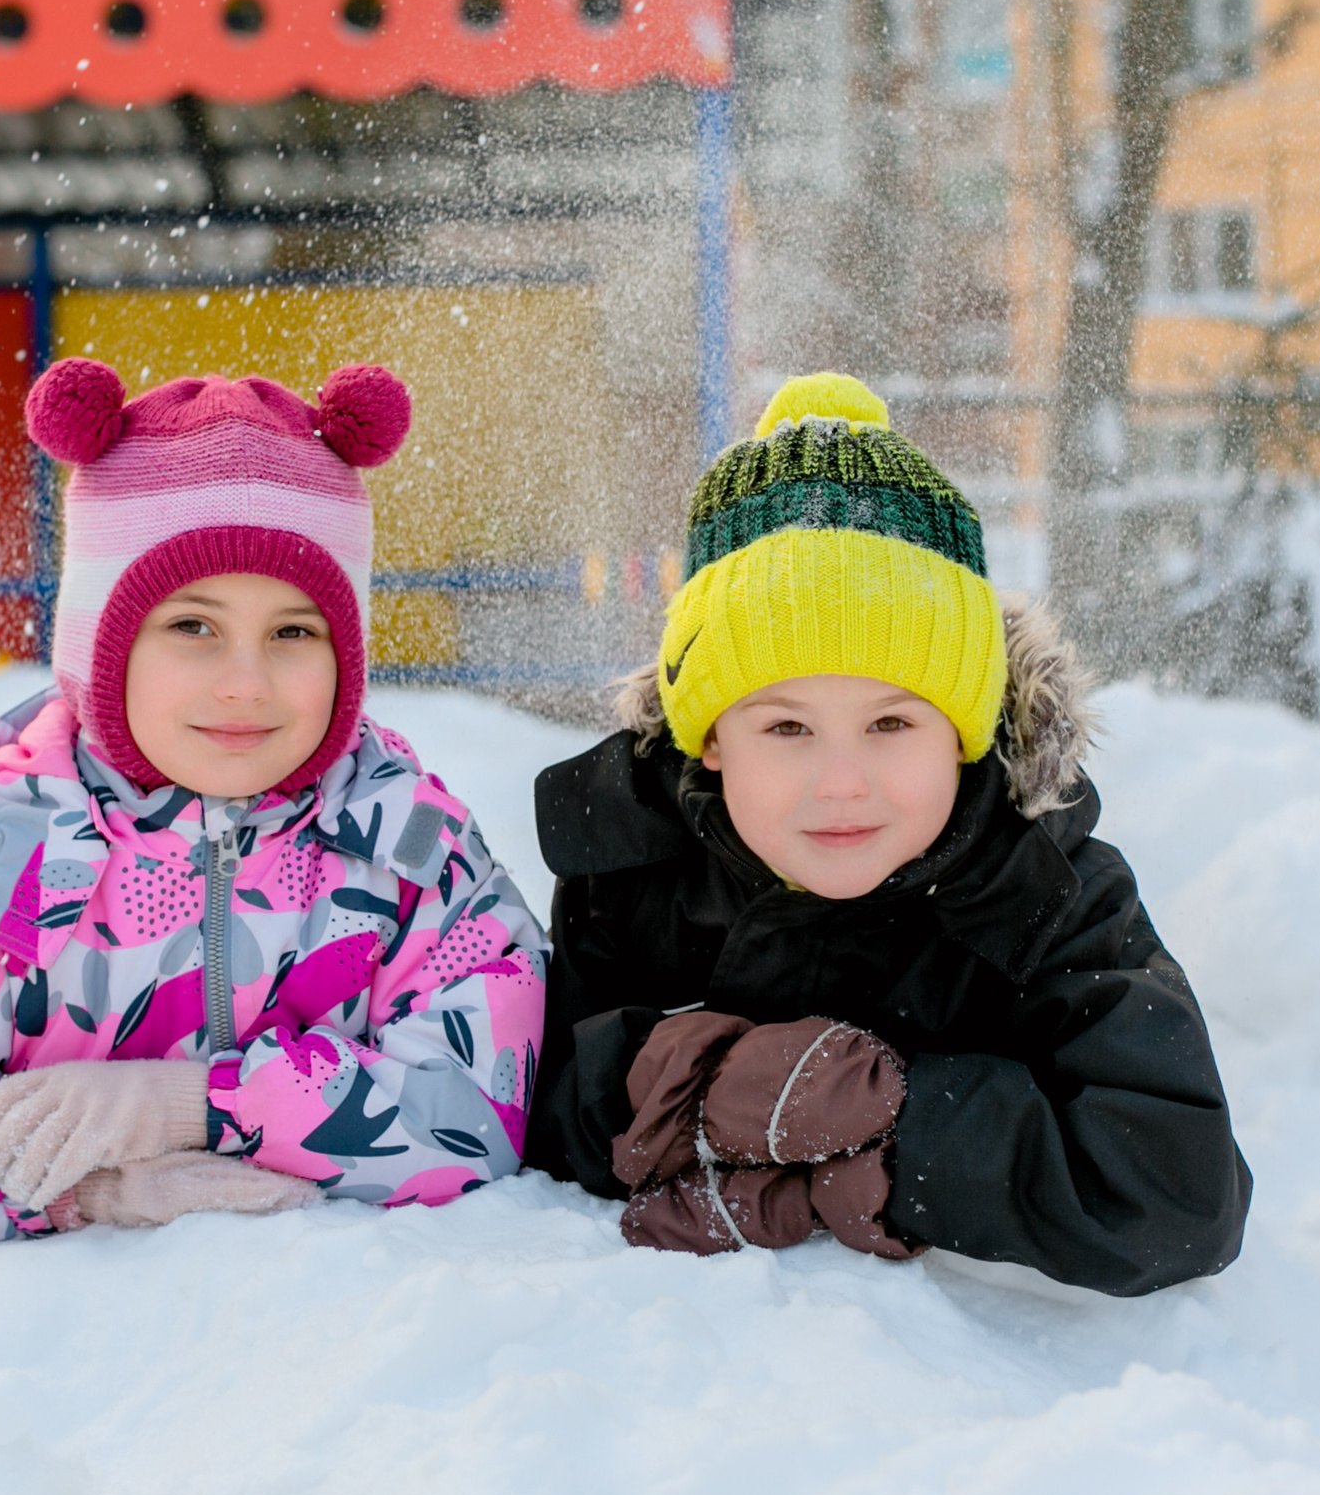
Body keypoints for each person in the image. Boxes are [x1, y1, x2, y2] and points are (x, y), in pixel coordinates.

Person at [0, 359, 548, 1280]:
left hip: (351, 1355)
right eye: (192, 626)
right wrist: (83, 1192)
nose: (246, 681)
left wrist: (199, 1105)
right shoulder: (7, 892)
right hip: (81, 1366)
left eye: (294, 631)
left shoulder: (412, 858)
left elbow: (479, 1116)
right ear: (103, 641)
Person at [524, 373, 1249, 1295]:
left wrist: (890, 1127)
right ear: (709, 738)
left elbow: (1176, 1193)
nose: (842, 781)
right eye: (788, 727)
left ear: (964, 735)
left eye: (891, 723)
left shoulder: (1043, 893)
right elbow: (530, 1099)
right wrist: (711, 1083)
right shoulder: (633, 863)